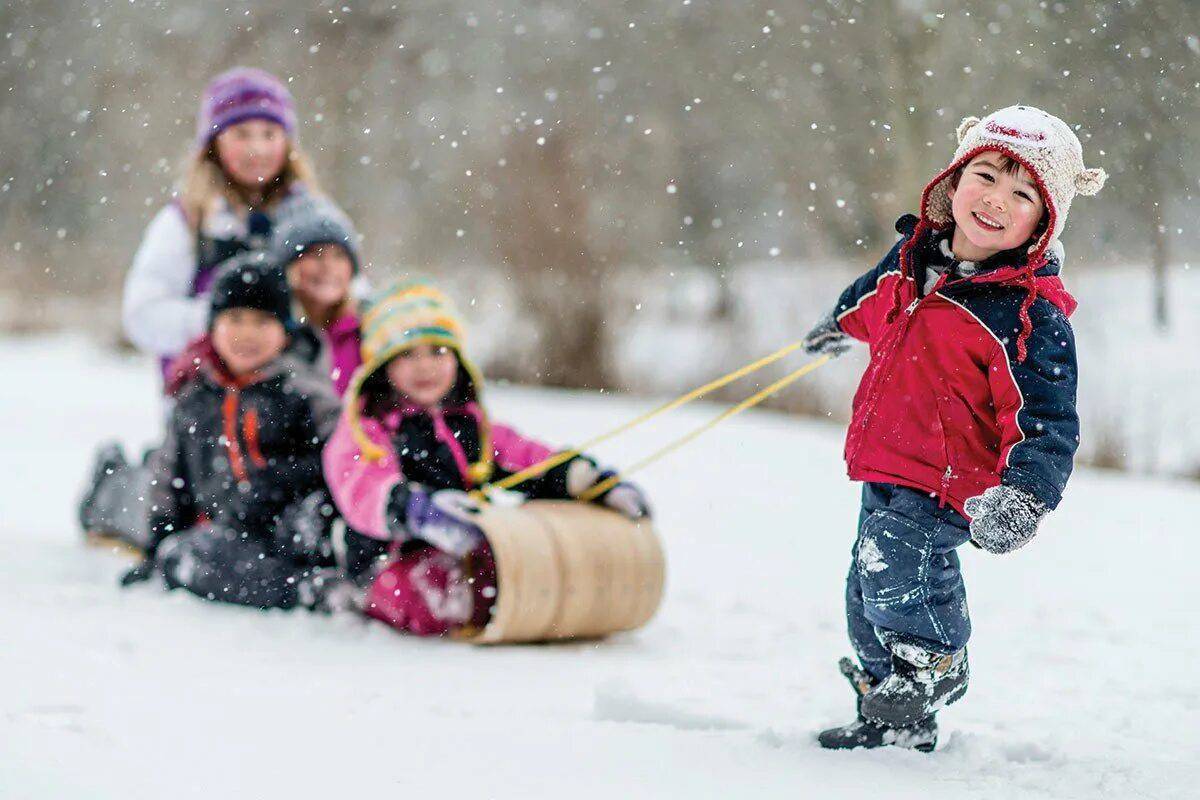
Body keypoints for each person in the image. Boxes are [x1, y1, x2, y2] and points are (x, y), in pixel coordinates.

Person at [802, 106, 1106, 752]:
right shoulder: (915, 259)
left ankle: (938, 659)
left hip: (950, 482)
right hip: (886, 461)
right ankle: (896, 720)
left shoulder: (1027, 317)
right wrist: (838, 323)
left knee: (897, 572)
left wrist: (1024, 497)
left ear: (1043, 222)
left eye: (1023, 193)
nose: (997, 199)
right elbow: (871, 295)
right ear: (957, 176)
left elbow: (1047, 421)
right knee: (865, 590)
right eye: (989, 174)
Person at [322, 281, 651, 636]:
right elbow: (363, 485)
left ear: (457, 358)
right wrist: (416, 509)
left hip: (468, 551)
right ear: (382, 366)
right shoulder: (368, 428)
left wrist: (586, 480)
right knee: (433, 592)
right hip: (387, 559)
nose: (425, 366)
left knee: (527, 566)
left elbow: (526, 459)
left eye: (438, 351)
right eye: (407, 355)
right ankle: (358, 597)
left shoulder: (469, 424)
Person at [118, 254, 349, 612]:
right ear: (213, 327)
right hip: (224, 531)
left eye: (262, 321)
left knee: (310, 525)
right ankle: (302, 590)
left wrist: (283, 480)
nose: (247, 334)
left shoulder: (303, 390)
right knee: (184, 556)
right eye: (235, 319)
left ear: (284, 331)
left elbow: (343, 455)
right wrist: (156, 545)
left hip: (290, 524)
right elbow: (169, 478)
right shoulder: (195, 396)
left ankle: (312, 580)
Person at [122, 67, 318, 374]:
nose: (258, 148)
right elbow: (143, 316)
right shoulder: (185, 222)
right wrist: (226, 323)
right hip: (207, 402)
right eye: (242, 134)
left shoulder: (315, 218)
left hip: (301, 401)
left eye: (269, 134)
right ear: (214, 143)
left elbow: (348, 302)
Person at [271, 197, 364, 396]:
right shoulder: (272, 332)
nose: (328, 267)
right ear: (289, 266)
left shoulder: (366, 330)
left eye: (339, 255)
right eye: (315, 255)